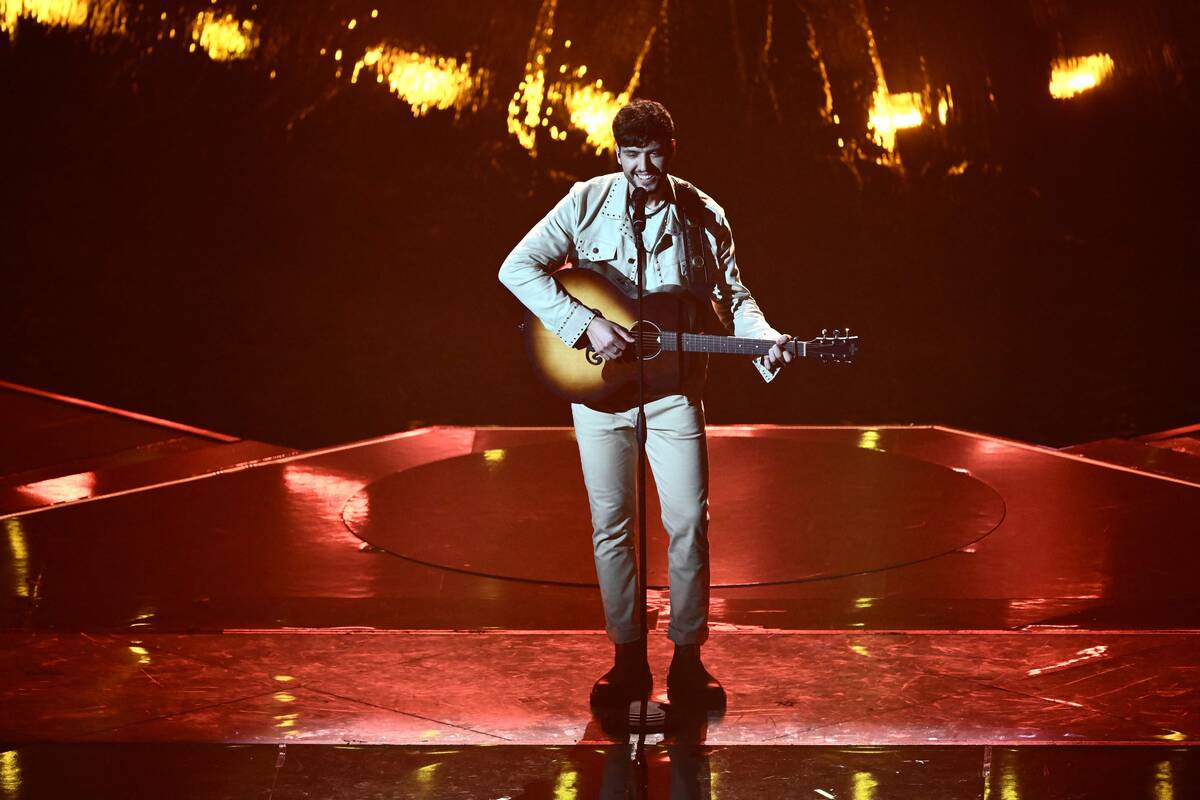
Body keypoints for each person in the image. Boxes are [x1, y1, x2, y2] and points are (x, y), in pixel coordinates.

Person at [498, 99, 793, 707]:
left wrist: (764, 339)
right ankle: (626, 656)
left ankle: (688, 658)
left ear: (671, 150)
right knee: (612, 525)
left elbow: (733, 295)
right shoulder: (585, 201)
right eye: (630, 154)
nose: (642, 167)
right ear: (617, 153)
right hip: (599, 395)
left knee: (688, 522)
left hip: (675, 393)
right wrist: (584, 323)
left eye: (653, 154)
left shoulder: (703, 214)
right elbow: (517, 267)